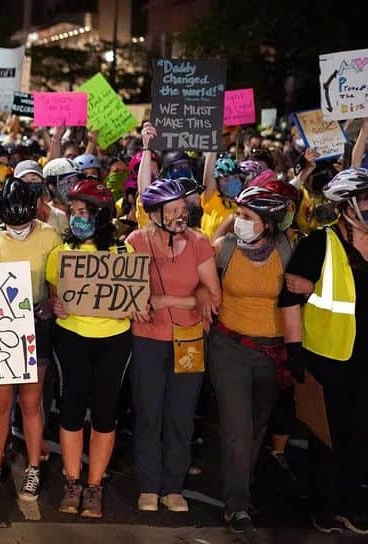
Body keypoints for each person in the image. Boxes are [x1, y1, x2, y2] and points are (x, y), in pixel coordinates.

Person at [280, 167, 368, 535]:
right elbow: (288, 299)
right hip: (330, 358)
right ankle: (324, 505)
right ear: (348, 205)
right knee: (329, 437)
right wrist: (294, 350)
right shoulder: (319, 243)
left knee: (366, 434)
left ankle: (349, 500)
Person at [126, 179, 220, 515]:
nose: (181, 215)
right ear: (154, 214)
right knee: (149, 414)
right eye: (173, 210)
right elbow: (128, 296)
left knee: (181, 414)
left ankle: (173, 487)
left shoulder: (199, 242)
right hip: (147, 340)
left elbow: (213, 296)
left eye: (183, 209)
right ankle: (149, 486)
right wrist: (191, 299)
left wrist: (166, 299)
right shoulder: (135, 241)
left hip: (190, 339)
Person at [207, 185, 293, 534]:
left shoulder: (288, 249)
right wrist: (202, 294)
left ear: (268, 224)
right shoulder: (223, 249)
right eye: (238, 215)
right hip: (230, 349)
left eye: (246, 217)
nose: (238, 221)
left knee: (257, 428)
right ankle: (237, 506)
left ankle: (242, 487)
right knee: (238, 429)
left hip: (272, 353)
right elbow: (202, 283)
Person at [45, 178, 133, 520]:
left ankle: (94, 486)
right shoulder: (61, 253)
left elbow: (136, 299)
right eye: (73, 211)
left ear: (102, 215)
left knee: (105, 415)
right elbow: (53, 297)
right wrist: (56, 305)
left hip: (114, 341)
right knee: (70, 412)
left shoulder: (123, 253)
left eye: (84, 211)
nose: (77, 217)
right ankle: (72, 482)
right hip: (71, 340)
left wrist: (132, 306)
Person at [0, 177, 61, 505]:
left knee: (30, 402)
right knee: (0, 403)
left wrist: (50, 303)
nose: (17, 228)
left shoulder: (50, 237)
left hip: (36, 328)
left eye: (23, 221)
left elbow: (58, 284)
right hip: (0, 329)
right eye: (11, 223)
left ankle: (34, 467)